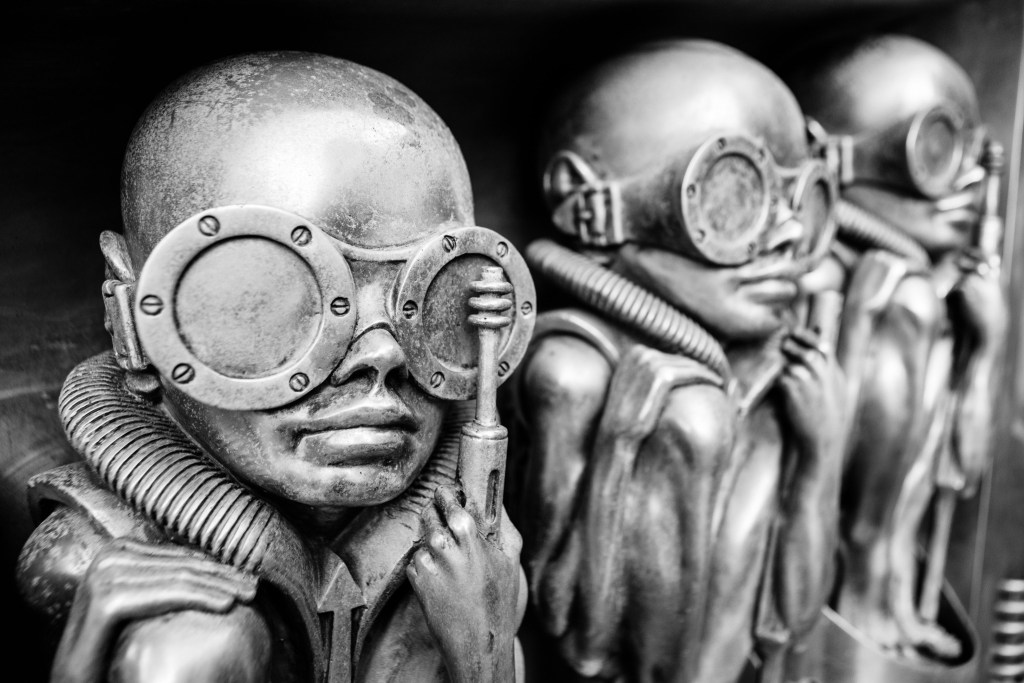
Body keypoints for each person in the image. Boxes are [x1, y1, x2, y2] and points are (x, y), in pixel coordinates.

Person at [16, 51, 534, 683]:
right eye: (270, 301)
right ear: (135, 315)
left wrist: (482, 649)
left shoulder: (467, 559)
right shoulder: (83, 556)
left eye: (432, 296)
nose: (382, 354)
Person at [510, 40, 847, 683]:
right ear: (591, 208)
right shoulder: (572, 373)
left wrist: (821, 459)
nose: (786, 234)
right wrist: (621, 444)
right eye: (732, 198)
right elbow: (567, 632)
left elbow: (790, 623)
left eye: (800, 200)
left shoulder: (779, 367)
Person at [790, 34, 1007, 661]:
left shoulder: (944, 291)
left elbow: (965, 469)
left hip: (903, 592)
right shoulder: (825, 285)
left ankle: (895, 606)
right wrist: (860, 322)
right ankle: (868, 604)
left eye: (968, 152)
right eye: (934, 151)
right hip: (824, 616)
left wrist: (988, 346)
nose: (965, 181)